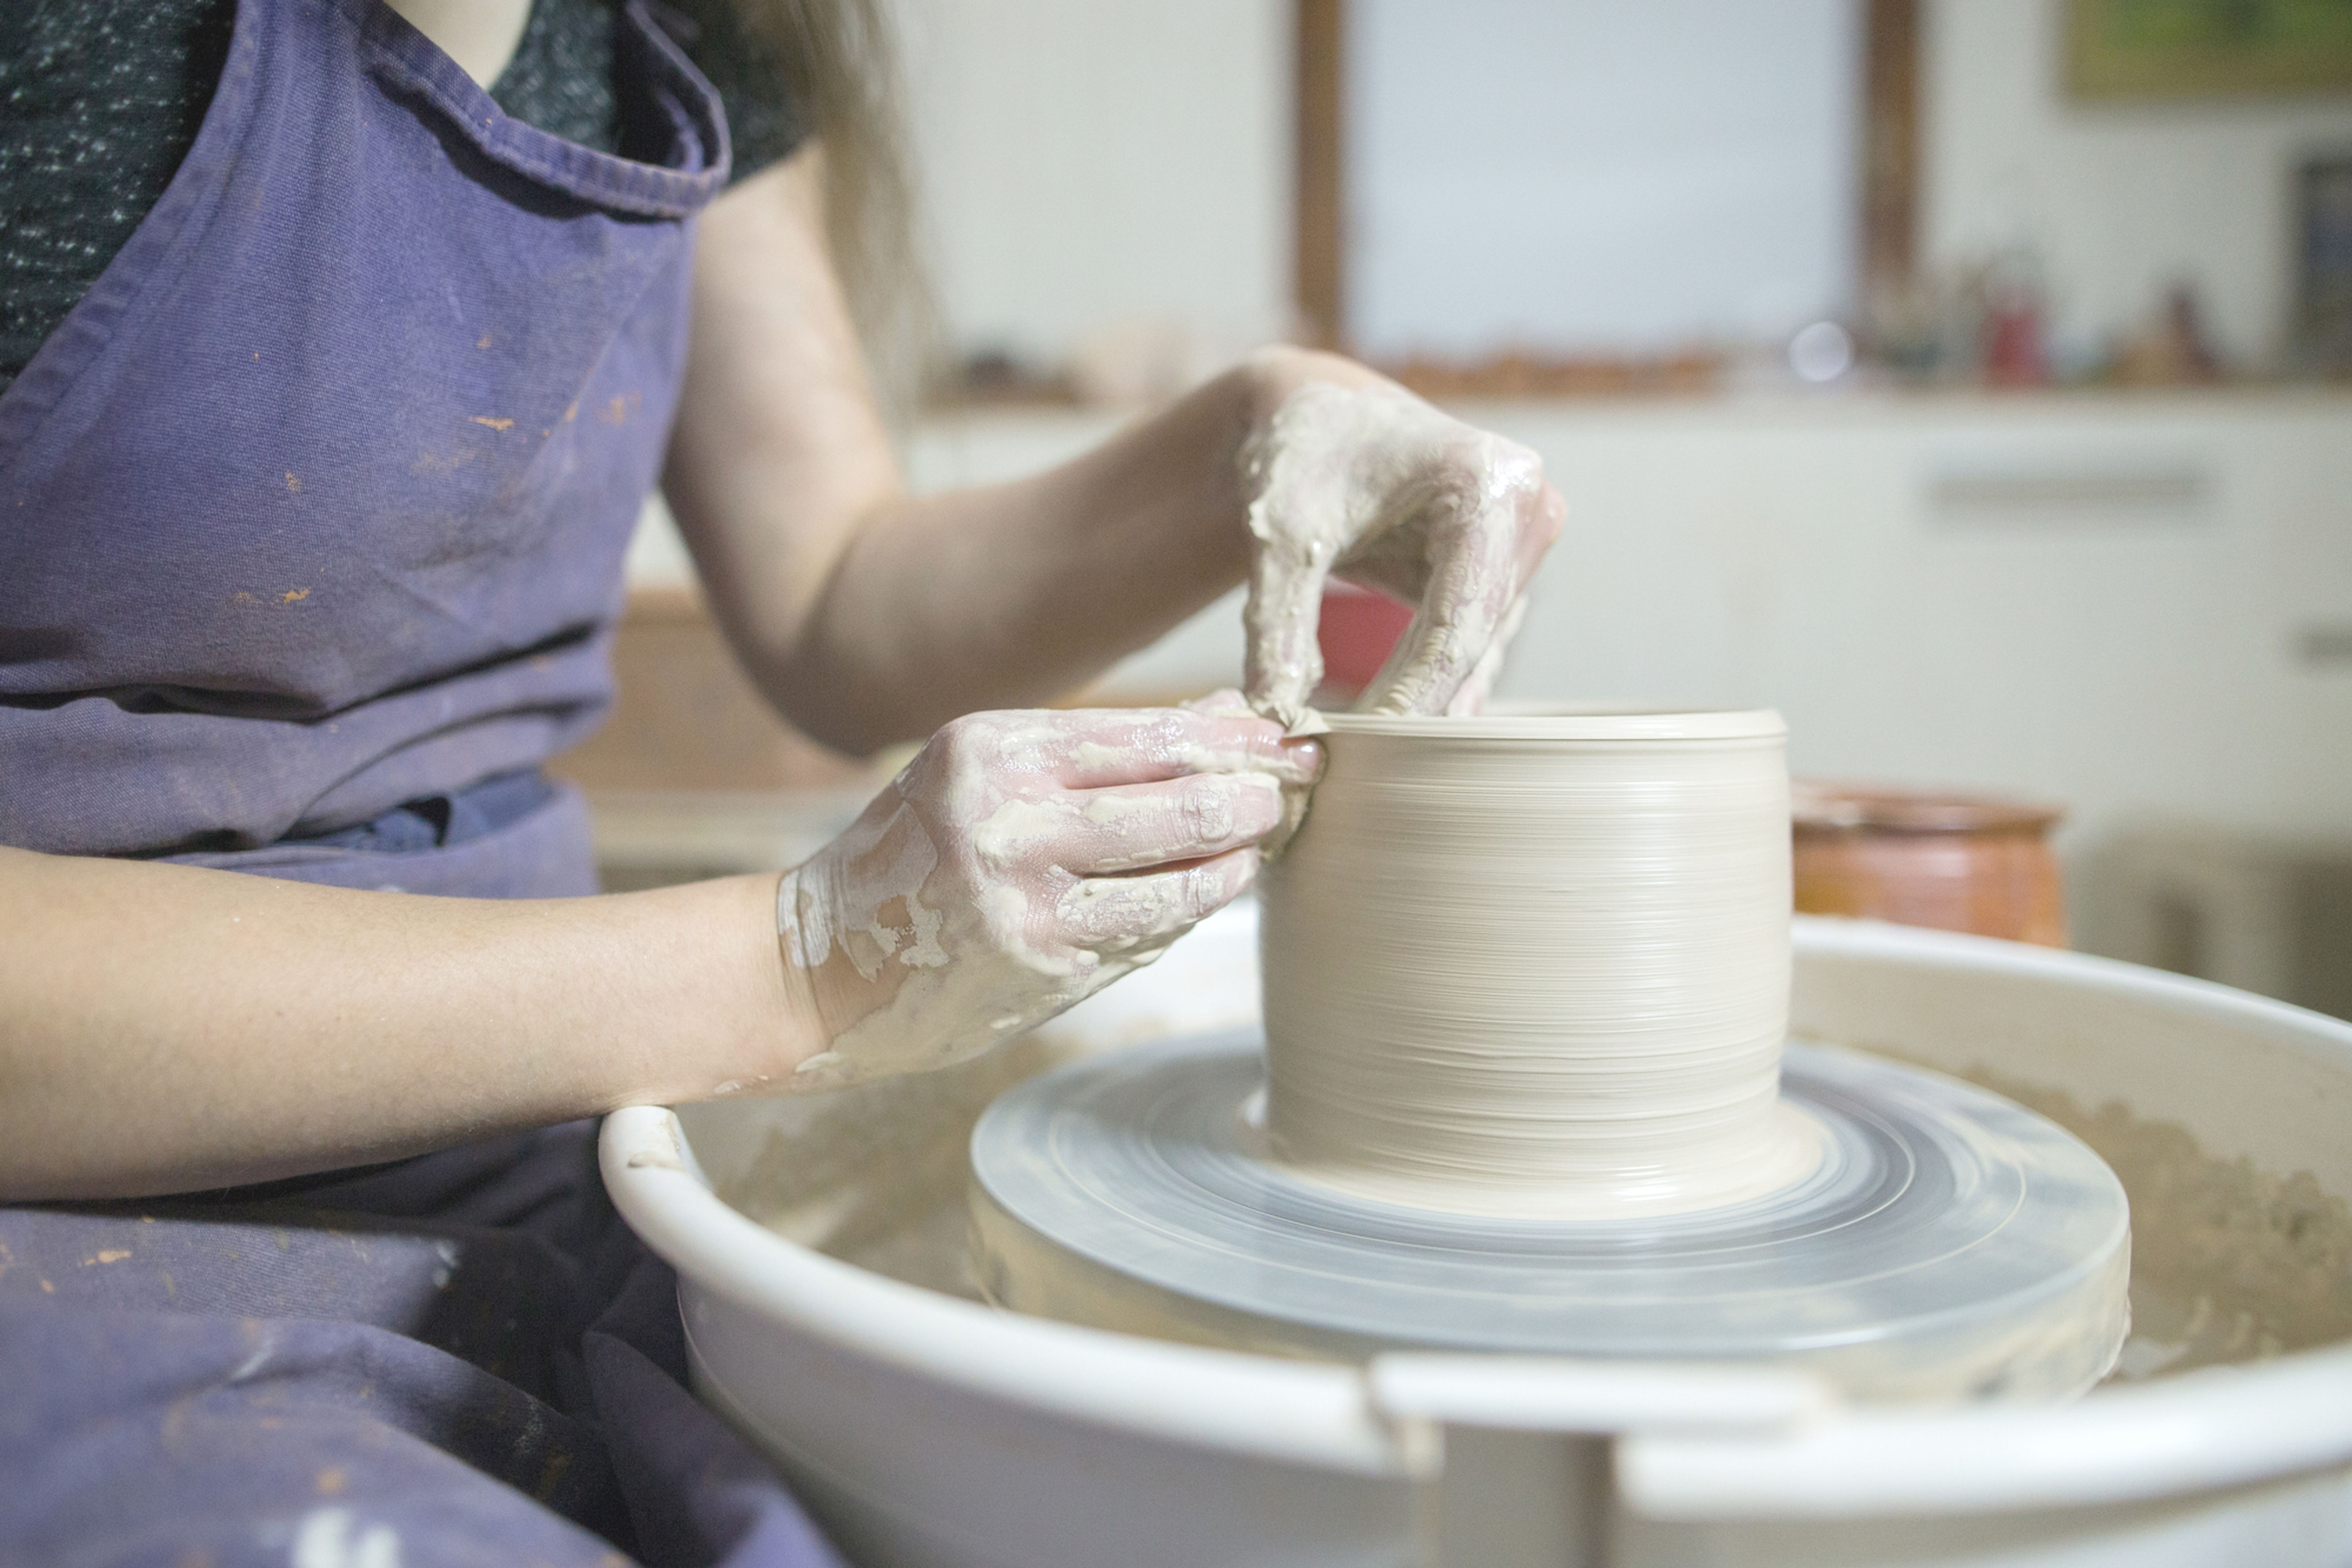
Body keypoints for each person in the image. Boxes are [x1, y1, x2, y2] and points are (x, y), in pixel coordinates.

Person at [0, 1, 1563, 1563]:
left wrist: (1252, 436)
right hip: (85, 1192)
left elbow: (837, 595)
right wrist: (805, 956)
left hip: (542, 1123)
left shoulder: (688, 23)